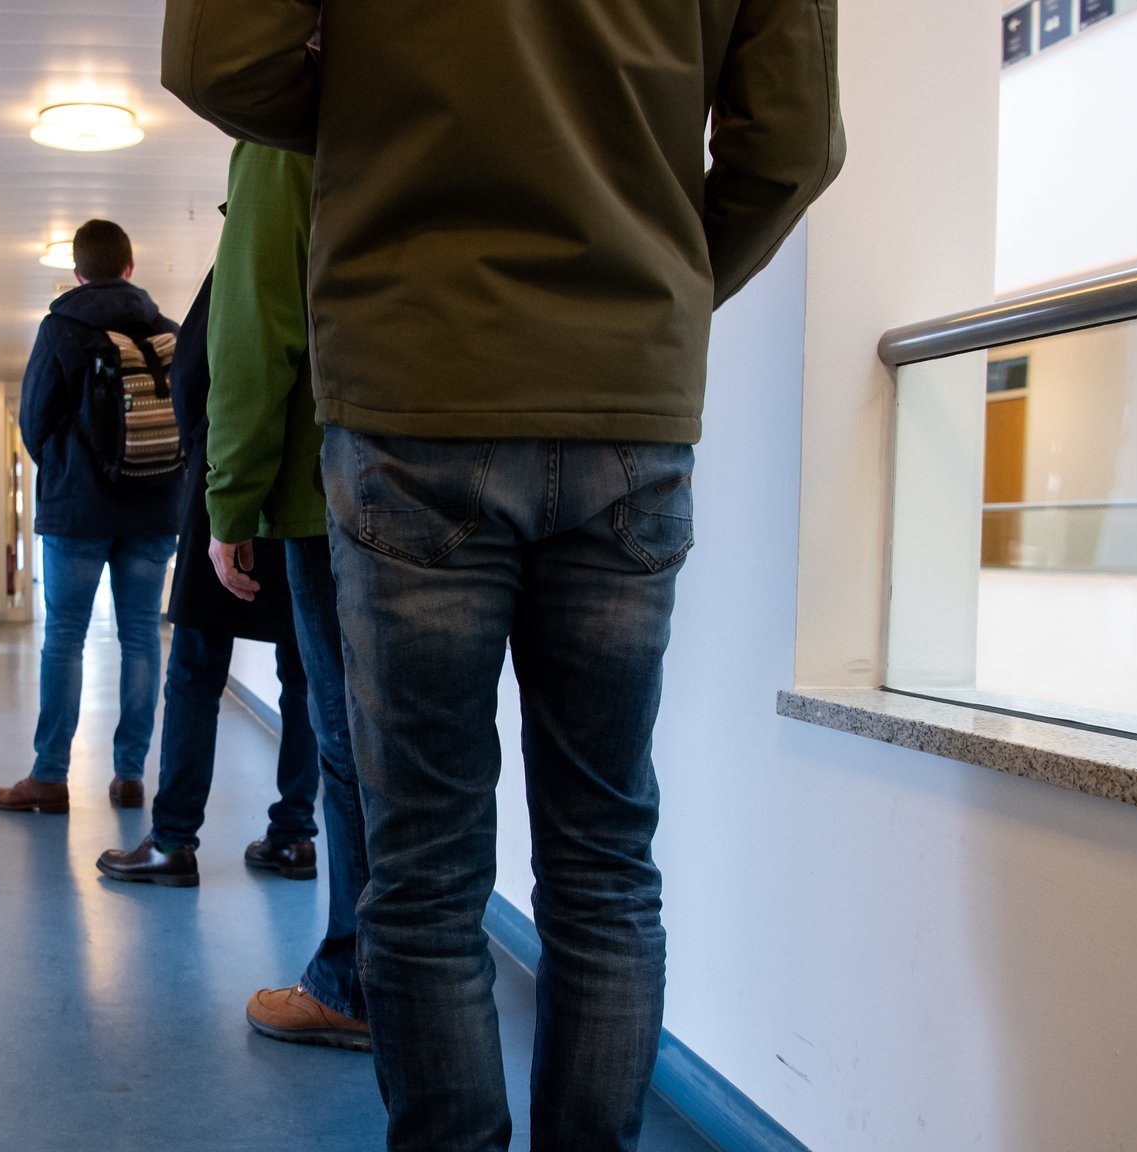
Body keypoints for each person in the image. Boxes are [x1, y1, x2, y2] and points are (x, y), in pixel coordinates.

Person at [164, 3, 845, 1149]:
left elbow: (215, 56)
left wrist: (382, 113)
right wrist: (658, 291)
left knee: (423, 868)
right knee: (605, 862)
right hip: (627, 404)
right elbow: (790, 148)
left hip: (413, 382)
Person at [200, 141, 372, 1053]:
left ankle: (354, 982)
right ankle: (421, 974)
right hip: (512, 457)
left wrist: (232, 497)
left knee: (352, 748)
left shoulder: (288, 127)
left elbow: (259, 321)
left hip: (331, 485)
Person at [96, 271, 325, 888]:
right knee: (303, 671)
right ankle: (295, 836)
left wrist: (224, 489)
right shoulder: (337, 250)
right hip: (314, 486)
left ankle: (172, 842)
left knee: (196, 668)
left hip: (231, 482)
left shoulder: (246, 264)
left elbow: (200, 376)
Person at [0, 219, 182, 815]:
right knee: (142, 639)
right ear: (130, 267)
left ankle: (49, 777)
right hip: (154, 507)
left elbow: (33, 420)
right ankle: (129, 776)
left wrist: (68, 468)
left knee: (65, 641)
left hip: (77, 511)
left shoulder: (60, 328)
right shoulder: (169, 331)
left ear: (77, 272)